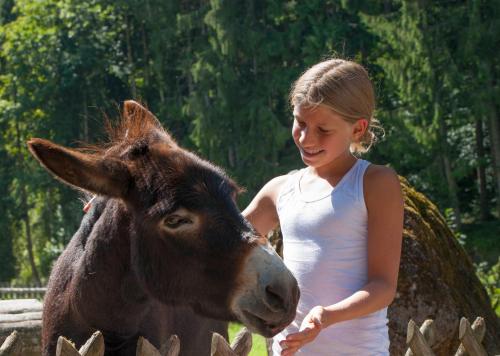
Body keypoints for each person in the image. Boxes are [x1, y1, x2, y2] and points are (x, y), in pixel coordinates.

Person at [242, 58, 404, 355]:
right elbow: (223, 243)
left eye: (323, 130)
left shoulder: (376, 183)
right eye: (300, 123)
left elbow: (383, 286)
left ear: (358, 130)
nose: (306, 138)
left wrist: (326, 316)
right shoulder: (280, 190)